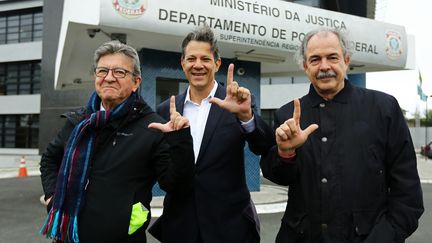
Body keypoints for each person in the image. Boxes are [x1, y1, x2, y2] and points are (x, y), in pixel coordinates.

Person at [260, 28, 424, 243]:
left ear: (346, 61)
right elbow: (278, 176)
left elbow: (408, 194)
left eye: (332, 57)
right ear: (305, 66)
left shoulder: (384, 109)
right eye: (315, 59)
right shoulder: (288, 114)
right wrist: (286, 152)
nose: (324, 66)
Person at [39, 40, 194, 243]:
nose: (109, 78)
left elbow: (177, 185)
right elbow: (50, 159)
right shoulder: (79, 121)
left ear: (136, 82)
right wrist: (52, 197)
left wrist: (179, 140)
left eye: (119, 72)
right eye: (102, 71)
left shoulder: (153, 127)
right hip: (68, 236)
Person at [148, 25, 274, 243]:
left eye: (205, 59)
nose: (198, 65)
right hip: (180, 226)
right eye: (191, 59)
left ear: (217, 64)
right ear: (183, 63)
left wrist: (246, 117)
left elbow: (264, 146)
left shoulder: (236, 101)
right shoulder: (165, 110)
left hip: (230, 226)